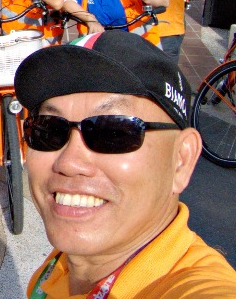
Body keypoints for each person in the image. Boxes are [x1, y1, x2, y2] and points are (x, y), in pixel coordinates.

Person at [15, 31, 236, 298]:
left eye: (113, 131)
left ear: (182, 159)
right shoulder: (58, 266)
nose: (69, 163)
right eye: (49, 129)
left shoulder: (196, 286)